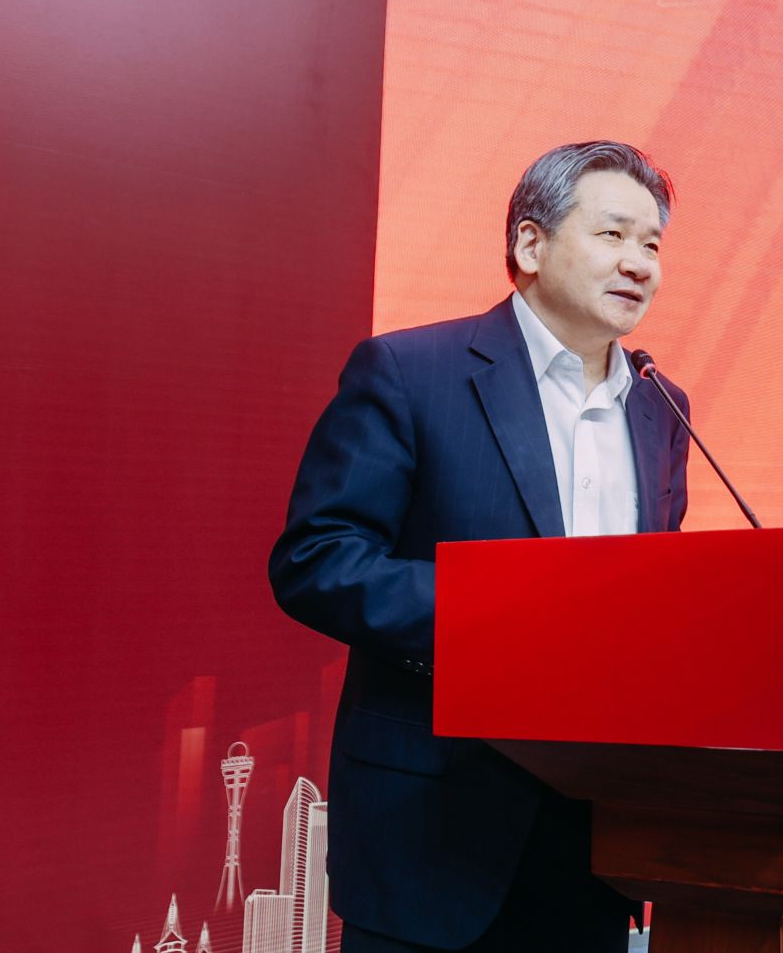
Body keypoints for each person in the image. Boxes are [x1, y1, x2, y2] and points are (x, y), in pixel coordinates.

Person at [270, 141, 691, 952]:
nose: (639, 263)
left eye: (652, 243)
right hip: (431, 827)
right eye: (613, 234)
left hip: (595, 838)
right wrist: (499, 612)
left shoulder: (660, 407)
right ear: (530, 244)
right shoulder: (410, 371)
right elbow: (315, 558)